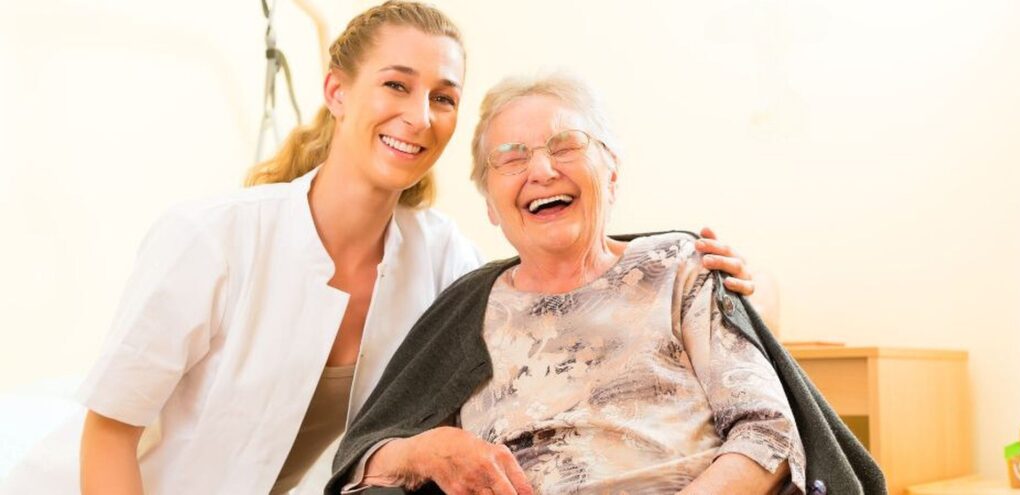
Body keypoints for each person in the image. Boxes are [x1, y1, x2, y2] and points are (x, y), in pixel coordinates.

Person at [0, 3, 759, 495]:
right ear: (336, 92)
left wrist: (670, 262)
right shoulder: (213, 237)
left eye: (443, 96)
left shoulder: (442, 257)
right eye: (395, 85)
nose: (418, 115)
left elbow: (546, 286)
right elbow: (109, 434)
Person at [327, 74, 886, 495]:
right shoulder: (467, 306)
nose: (541, 170)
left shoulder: (678, 268)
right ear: (492, 206)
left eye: (565, 145)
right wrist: (425, 450)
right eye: (511, 157)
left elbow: (767, 433)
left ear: (612, 172)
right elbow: (362, 461)